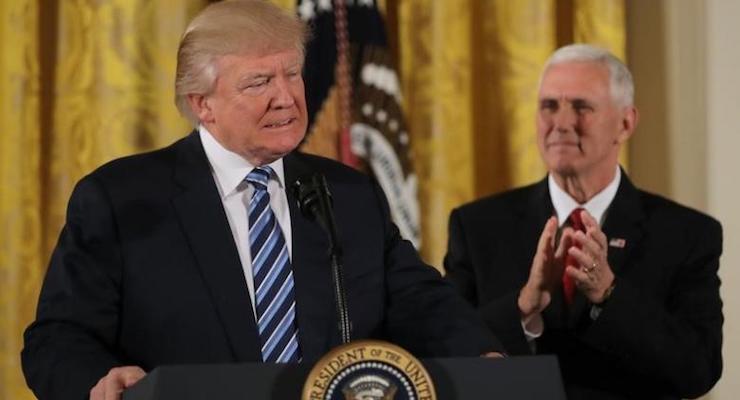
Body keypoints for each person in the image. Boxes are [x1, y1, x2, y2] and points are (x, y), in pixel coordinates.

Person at [21, 2, 502, 399]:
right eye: (258, 83)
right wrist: (98, 381)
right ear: (200, 103)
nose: (287, 98)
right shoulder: (121, 199)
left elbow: (418, 300)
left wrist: (484, 359)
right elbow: (57, 338)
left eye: (291, 74)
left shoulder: (347, 194)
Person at [444, 44, 723, 399]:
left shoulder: (687, 234)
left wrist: (610, 294)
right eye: (549, 106)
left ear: (625, 123)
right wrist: (524, 305)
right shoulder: (478, 226)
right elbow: (446, 350)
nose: (561, 123)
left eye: (581, 107)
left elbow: (698, 370)